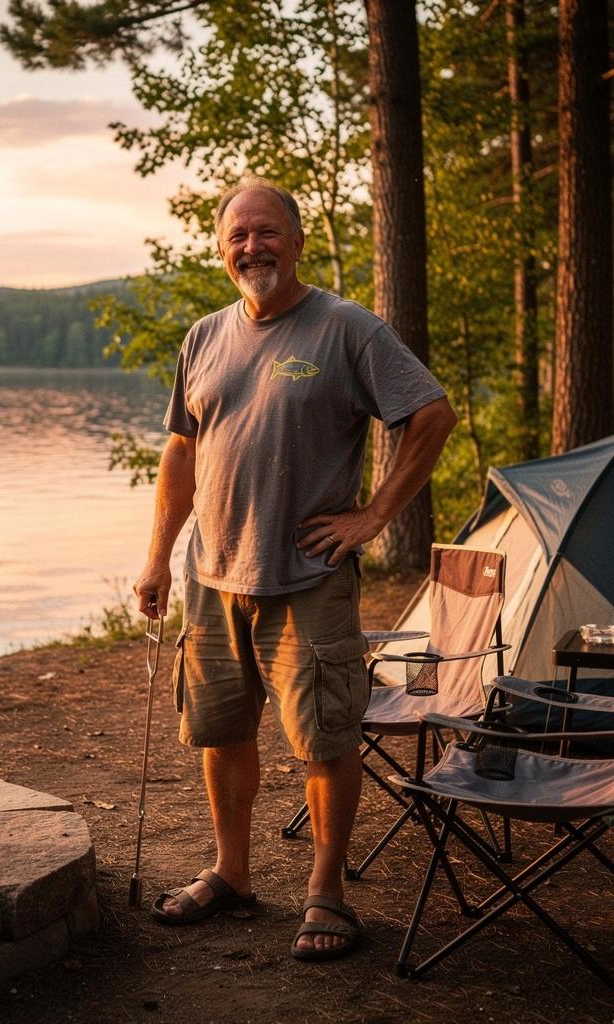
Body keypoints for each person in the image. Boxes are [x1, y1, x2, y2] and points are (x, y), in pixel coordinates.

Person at [133, 178, 456, 961]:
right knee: (222, 734)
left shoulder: (346, 329)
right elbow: (182, 448)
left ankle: (327, 893)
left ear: (299, 240)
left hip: (307, 578)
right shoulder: (205, 336)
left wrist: (375, 515)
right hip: (214, 577)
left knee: (325, 739)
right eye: (238, 235)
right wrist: (157, 560)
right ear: (220, 249)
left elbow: (431, 414)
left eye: (267, 232)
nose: (253, 247)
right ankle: (233, 873)